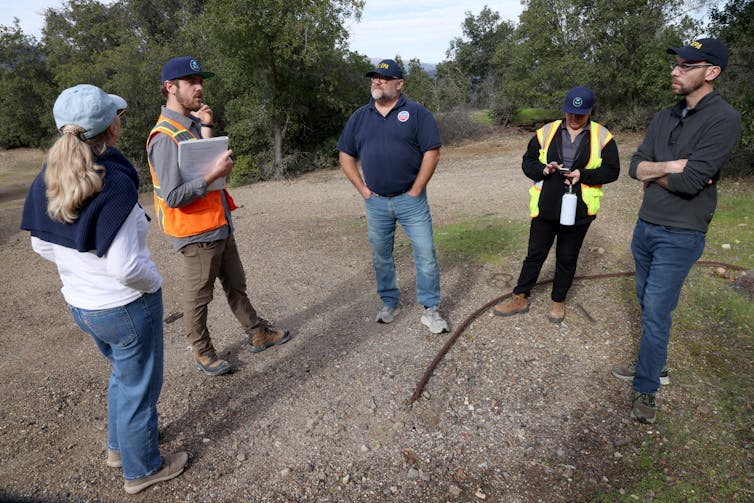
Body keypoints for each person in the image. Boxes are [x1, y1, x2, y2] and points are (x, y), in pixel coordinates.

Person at [20, 84, 187, 494]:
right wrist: (155, 283)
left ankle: (119, 449)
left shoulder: (50, 175)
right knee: (140, 388)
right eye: (117, 114)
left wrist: (79, 272)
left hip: (82, 305)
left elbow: (40, 242)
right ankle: (142, 469)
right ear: (111, 128)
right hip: (125, 306)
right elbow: (126, 266)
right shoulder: (115, 183)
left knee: (123, 377)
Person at [611, 38, 741, 423]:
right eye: (676, 64)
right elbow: (635, 166)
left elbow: (692, 182)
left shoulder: (724, 119)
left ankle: (646, 389)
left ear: (711, 72)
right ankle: (657, 366)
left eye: (687, 65)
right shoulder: (665, 115)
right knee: (649, 305)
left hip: (681, 233)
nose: (675, 70)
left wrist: (660, 171)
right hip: (646, 226)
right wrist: (670, 167)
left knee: (654, 311)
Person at [147, 56, 290, 377]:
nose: (199, 87)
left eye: (201, 81)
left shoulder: (194, 126)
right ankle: (202, 351)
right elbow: (173, 196)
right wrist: (213, 175)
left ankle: (258, 332)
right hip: (195, 233)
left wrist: (208, 126)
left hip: (219, 223)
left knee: (236, 284)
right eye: (191, 83)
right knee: (199, 296)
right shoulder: (164, 137)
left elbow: (206, 167)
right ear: (171, 88)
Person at [337, 59, 449, 334]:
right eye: (374, 77)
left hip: (410, 201)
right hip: (375, 202)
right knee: (381, 256)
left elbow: (431, 151)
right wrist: (363, 190)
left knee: (425, 254)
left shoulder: (417, 113)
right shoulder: (360, 117)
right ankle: (390, 302)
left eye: (384, 78)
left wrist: (417, 188)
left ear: (399, 84)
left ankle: (430, 309)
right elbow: (345, 155)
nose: (377, 82)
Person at [492, 86, 620, 323]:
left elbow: (613, 171)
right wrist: (544, 169)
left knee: (567, 256)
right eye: (570, 112)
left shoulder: (603, 136)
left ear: (591, 111)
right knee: (534, 254)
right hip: (546, 205)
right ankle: (520, 296)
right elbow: (527, 162)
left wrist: (584, 175)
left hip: (579, 208)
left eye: (579, 114)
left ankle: (557, 300)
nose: (573, 118)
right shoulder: (546, 132)